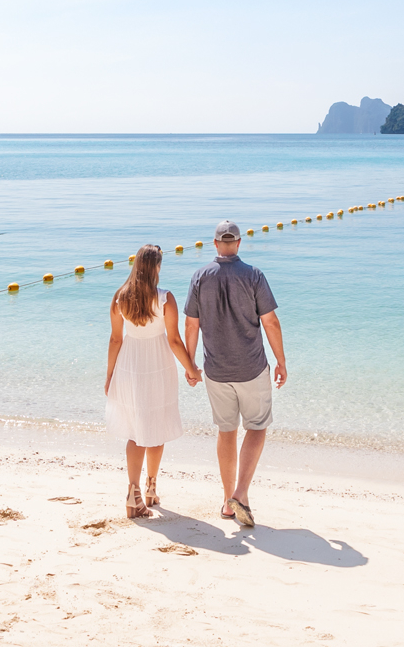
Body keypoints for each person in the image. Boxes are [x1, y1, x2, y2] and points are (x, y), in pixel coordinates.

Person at [183, 220, 287, 528]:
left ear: (215, 244)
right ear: (239, 243)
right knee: (256, 427)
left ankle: (228, 502)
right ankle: (241, 493)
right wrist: (281, 361)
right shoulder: (253, 275)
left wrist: (189, 365)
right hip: (252, 368)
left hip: (216, 370)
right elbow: (270, 322)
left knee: (226, 431)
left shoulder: (200, 277)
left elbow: (191, 325)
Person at [104, 243, 198, 518]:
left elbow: (115, 339)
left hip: (129, 367)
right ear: (156, 267)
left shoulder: (120, 298)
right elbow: (174, 340)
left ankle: (134, 491)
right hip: (158, 367)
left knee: (136, 431)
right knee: (155, 427)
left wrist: (110, 376)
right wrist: (191, 368)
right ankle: (151, 487)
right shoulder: (165, 298)